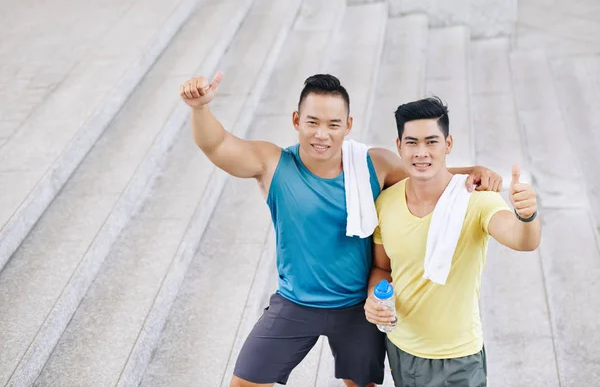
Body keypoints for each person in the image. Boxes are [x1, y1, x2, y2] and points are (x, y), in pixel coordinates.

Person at [179, 73, 503, 387]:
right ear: (296, 120)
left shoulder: (374, 164)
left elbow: (428, 175)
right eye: (313, 122)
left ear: (348, 125)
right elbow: (217, 144)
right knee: (244, 382)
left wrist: (471, 172)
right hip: (295, 303)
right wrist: (199, 108)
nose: (323, 134)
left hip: (356, 308)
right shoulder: (272, 162)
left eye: (334, 124)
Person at [363, 97, 541, 387]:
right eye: (412, 143)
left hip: (457, 358)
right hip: (401, 349)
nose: (421, 152)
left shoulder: (476, 199)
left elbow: (523, 241)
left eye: (431, 142)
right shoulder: (385, 204)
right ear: (399, 147)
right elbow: (382, 269)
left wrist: (527, 215)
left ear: (448, 145)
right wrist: (374, 297)